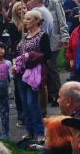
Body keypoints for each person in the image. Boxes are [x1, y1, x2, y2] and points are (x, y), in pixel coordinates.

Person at [13, 10, 52, 143]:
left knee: (32, 102)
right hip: (21, 73)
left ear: (36, 20)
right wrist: (15, 62)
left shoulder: (42, 36)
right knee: (24, 102)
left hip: (34, 73)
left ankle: (40, 132)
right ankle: (30, 130)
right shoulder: (23, 35)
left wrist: (31, 56)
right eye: (25, 20)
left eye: (28, 19)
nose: (25, 22)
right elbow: (15, 51)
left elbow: (47, 54)